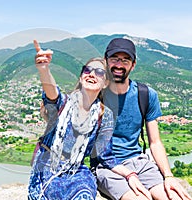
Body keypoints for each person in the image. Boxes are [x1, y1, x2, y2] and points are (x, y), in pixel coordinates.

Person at [28, 40, 151, 200]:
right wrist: (44, 69)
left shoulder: (104, 116)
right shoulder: (63, 104)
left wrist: (130, 175)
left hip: (76, 171)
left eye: (99, 73)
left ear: (106, 82)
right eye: (87, 71)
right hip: (47, 168)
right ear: (81, 77)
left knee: (84, 194)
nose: (92, 75)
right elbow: (52, 93)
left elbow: (105, 156)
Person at [96, 37, 192, 200]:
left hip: (140, 162)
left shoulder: (145, 95)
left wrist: (168, 176)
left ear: (133, 65)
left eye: (125, 60)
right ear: (106, 61)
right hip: (107, 167)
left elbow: (155, 142)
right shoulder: (95, 94)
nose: (119, 65)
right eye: (114, 59)